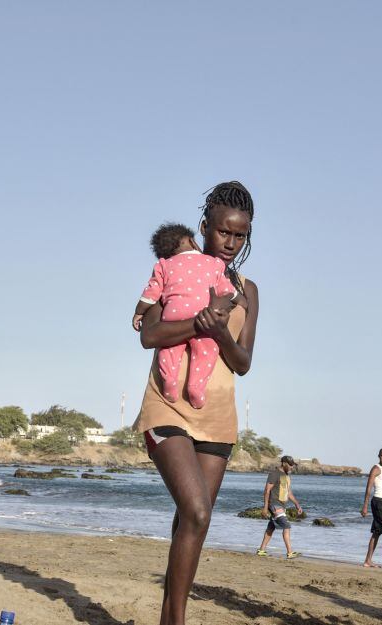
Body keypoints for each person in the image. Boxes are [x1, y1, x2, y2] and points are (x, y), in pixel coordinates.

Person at [134, 181, 259, 625]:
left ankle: (168, 619)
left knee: (190, 523)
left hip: (218, 415)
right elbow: (149, 334)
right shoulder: (173, 268)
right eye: (224, 231)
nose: (231, 242)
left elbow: (242, 362)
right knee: (197, 510)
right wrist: (199, 323)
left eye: (240, 235)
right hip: (166, 405)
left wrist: (220, 331)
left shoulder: (247, 290)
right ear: (205, 227)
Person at [133, 222, 241, 408]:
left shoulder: (163, 265)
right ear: (191, 241)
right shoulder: (214, 264)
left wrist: (138, 312)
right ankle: (196, 387)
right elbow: (227, 290)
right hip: (204, 314)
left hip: (173, 315)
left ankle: (169, 381)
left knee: (169, 350)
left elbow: (151, 294)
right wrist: (237, 300)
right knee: (206, 351)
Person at [256, 455, 303, 559]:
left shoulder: (286, 476)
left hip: (281, 505)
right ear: (284, 463)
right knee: (287, 526)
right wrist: (265, 507)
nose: (292, 467)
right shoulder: (274, 474)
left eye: (293, 465)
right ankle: (290, 552)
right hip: (274, 504)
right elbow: (267, 490)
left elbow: (289, 492)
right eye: (290, 465)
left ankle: (261, 550)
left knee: (271, 527)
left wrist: (297, 504)